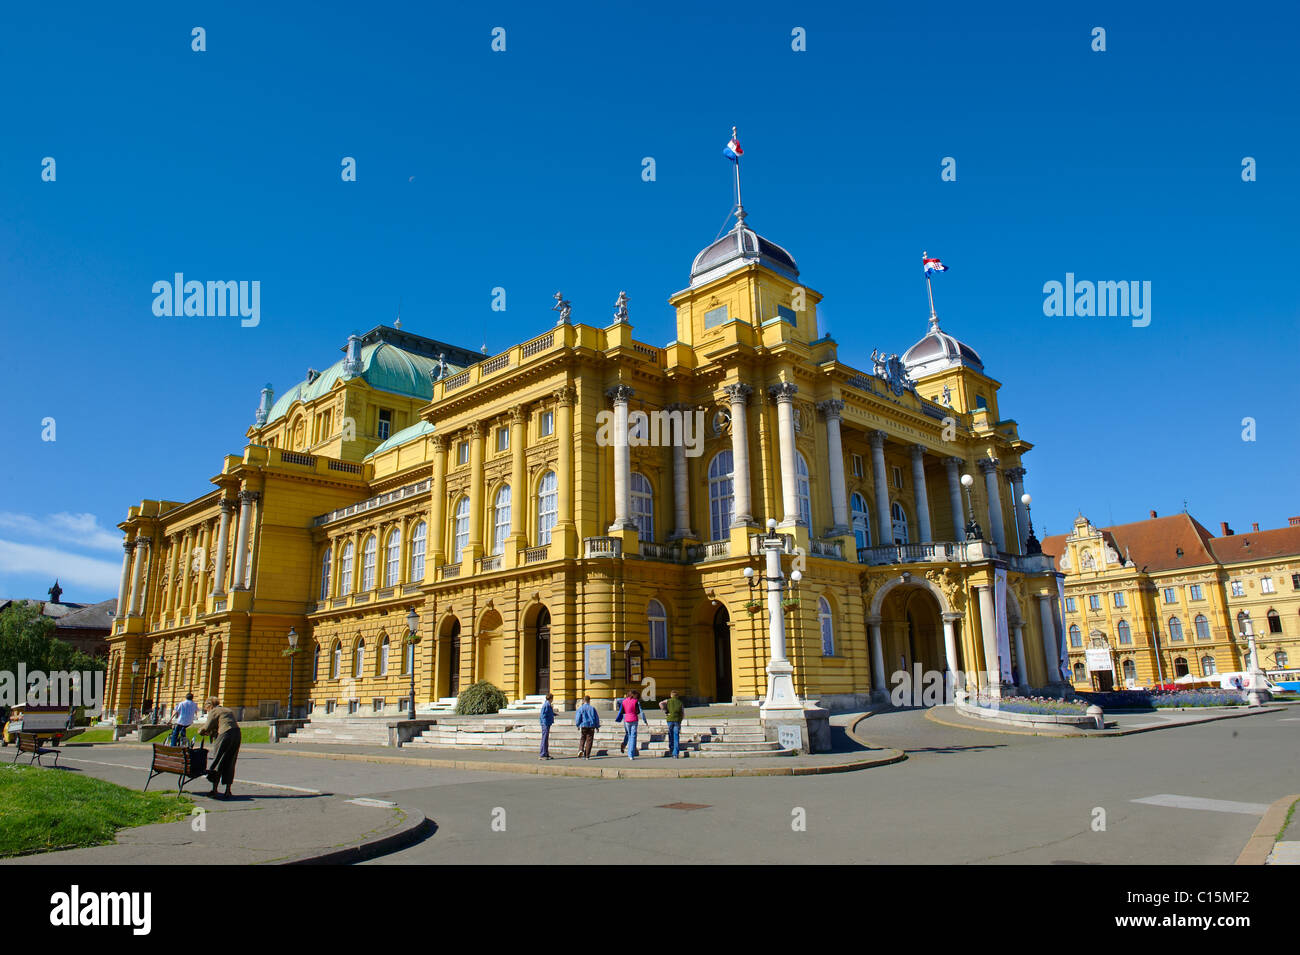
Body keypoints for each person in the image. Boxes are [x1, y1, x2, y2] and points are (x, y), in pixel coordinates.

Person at [196, 696, 241, 798]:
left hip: (225, 734)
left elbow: (207, 727)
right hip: (237, 734)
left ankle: (214, 789)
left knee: (218, 760)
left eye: (206, 708)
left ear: (209, 705)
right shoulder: (227, 710)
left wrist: (200, 731)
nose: (207, 710)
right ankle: (228, 790)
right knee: (230, 761)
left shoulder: (214, 711)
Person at [619, 690, 648, 760]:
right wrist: (645, 720)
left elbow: (622, 711)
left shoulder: (624, 701)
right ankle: (631, 754)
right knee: (633, 737)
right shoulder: (635, 701)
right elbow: (639, 711)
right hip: (634, 719)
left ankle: (626, 747)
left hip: (626, 720)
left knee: (629, 735)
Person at [661, 690, 685, 758]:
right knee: (676, 736)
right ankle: (675, 753)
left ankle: (671, 750)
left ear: (671, 695)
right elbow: (682, 713)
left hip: (670, 720)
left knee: (670, 735)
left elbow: (660, 703)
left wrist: (665, 711)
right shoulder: (680, 702)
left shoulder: (668, 701)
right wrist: (680, 720)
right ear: (677, 696)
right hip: (677, 720)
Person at [538, 693, 555, 759]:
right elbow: (543, 715)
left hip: (547, 723)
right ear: (550, 698)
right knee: (544, 739)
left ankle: (546, 753)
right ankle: (542, 754)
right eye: (552, 698)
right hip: (545, 723)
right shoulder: (546, 705)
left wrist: (553, 714)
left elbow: (548, 712)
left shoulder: (548, 704)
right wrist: (544, 722)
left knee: (546, 739)